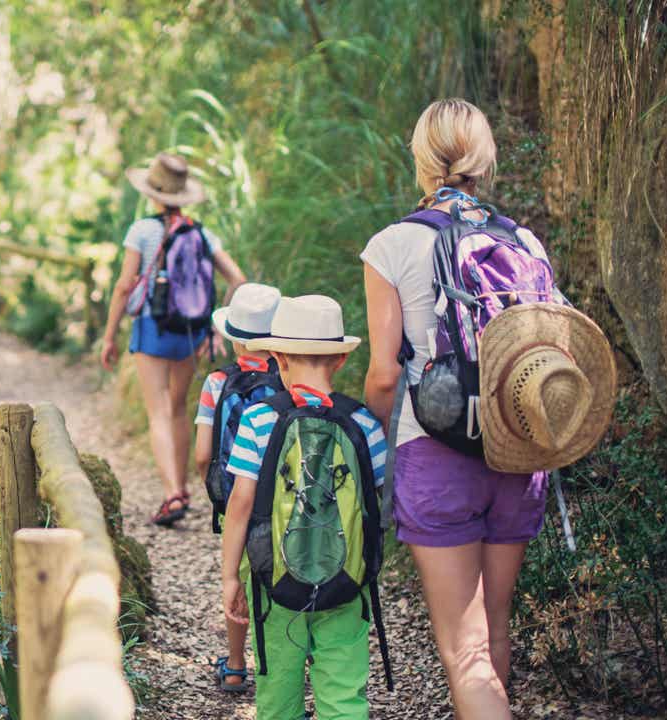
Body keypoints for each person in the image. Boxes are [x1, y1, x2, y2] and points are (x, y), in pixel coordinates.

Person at [360, 98, 548, 718]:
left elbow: (385, 375)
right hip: (519, 449)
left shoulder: (392, 245)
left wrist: (378, 443)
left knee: (463, 651)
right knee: (493, 631)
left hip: (436, 449)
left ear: (421, 158)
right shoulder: (523, 241)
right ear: (484, 157)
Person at [218, 294, 390, 720]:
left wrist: (229, 578)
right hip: (347, 580)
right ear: (340, 361)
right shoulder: (365, 423)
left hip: (274, 581)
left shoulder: (259, 420)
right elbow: (376, 503)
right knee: (344, 693)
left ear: (277, 357)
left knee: (278, 692)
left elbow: (239, 505)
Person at [101, 152, 247, 526]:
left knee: (158, 411)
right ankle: (181, 485)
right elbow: (238, 280)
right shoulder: (201, 233)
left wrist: (109, 335)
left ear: (153, 192)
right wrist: (216, 328)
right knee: (179, 407)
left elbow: (124, 285)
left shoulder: (143, 231)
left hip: (152, 328)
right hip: (190, 330)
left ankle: (173, 494)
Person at [193, 283, 283, 692]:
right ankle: (287, 659)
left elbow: (201, 452)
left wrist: (215, 488)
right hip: (285, 502)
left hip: (237, 502)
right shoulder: (291, 380)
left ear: (233, 340)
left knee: (239, 581)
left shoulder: (216, 383)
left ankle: (234, 664)